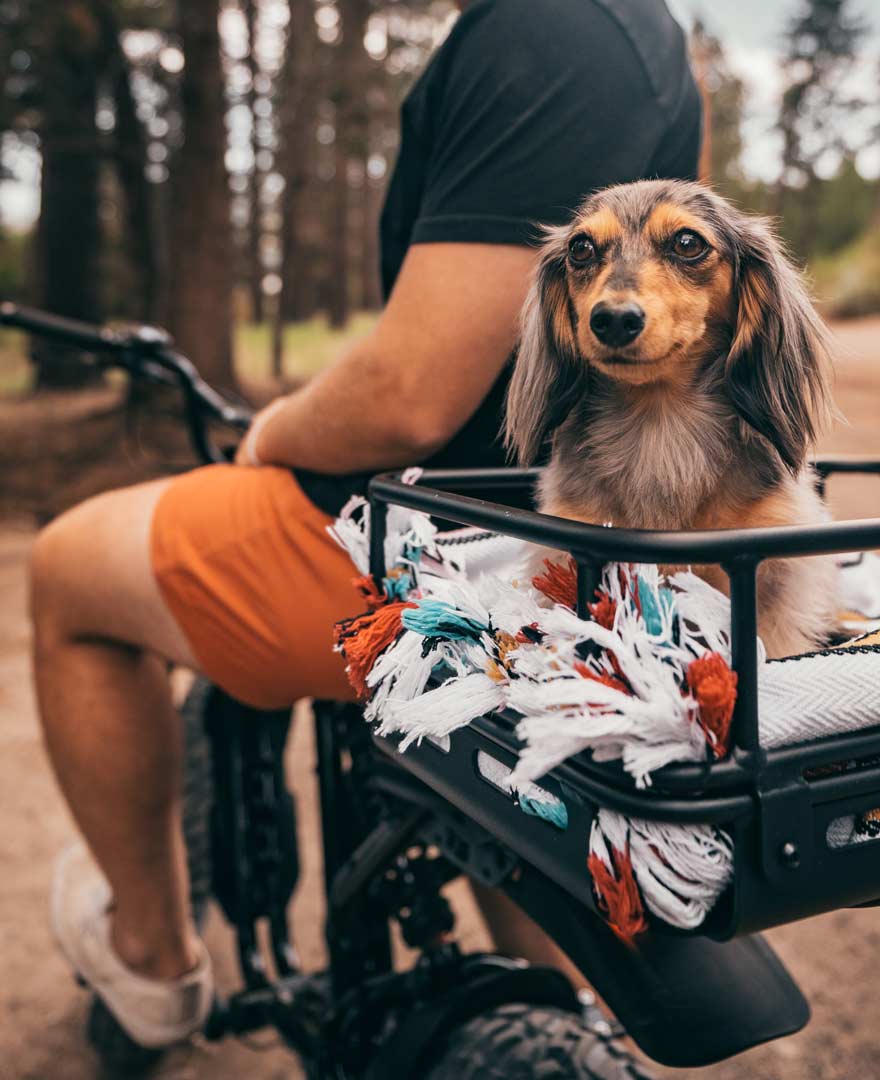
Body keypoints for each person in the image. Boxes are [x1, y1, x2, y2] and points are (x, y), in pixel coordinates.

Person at [32, 0, 701, 1048]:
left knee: (70, 569)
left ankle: (150, 963)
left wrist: (272, 433)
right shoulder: (639, 38)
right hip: (569, 531)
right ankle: (566, 1021)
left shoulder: (548, 29)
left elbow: (409, 392)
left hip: (451, 545)